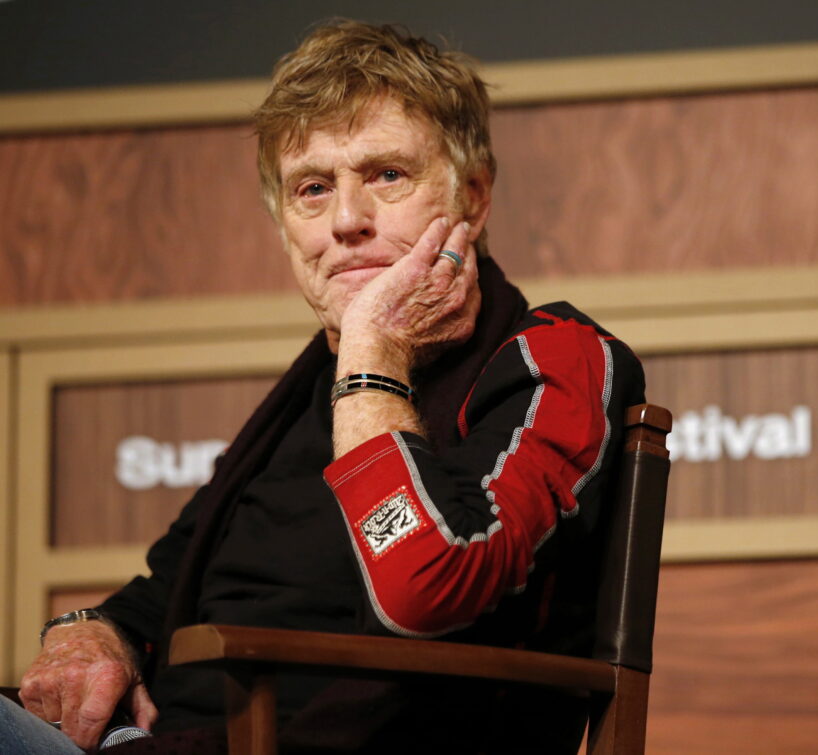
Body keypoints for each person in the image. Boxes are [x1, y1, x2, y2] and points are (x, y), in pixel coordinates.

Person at [4, 19, 644, 753]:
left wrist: (375, 358)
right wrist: (91, 633)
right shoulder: (310, 387)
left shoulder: (558, 357)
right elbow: (166, 588)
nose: (346, 220)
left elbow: (428, 587)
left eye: (387, 175)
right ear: (284, 227)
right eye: (312, 188)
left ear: (473, 195)